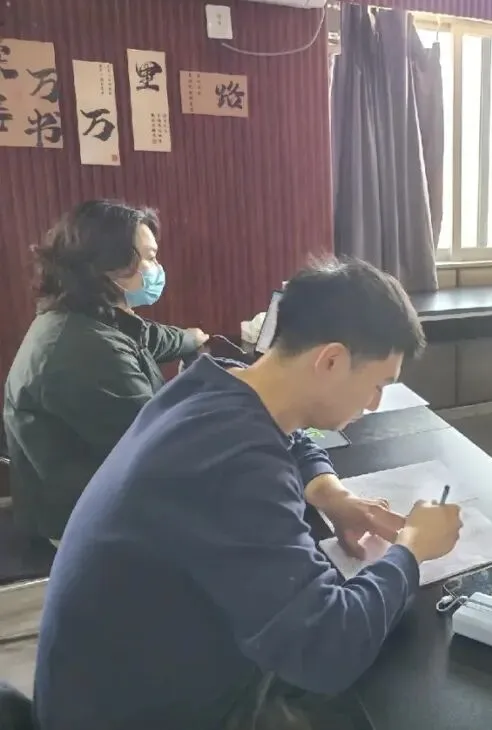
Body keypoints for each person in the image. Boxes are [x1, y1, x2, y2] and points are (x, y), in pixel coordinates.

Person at [32, 257, 463, 730]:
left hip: (109, 682)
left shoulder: (214, 383)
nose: (375, 403)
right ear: (331, 361)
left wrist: (331, 494)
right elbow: (326, 649)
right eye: (378, 384)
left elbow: (292, 437)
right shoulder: (234, 461)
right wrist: (412, 550)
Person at [3, 200, 209, 544]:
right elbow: (160, 449)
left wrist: (191, 338)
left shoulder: (84, 316)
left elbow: (146, 338)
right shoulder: (88, 351)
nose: (157, 268)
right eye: (150, 257)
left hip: (88, 494)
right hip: (82, 523)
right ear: (108, 265)